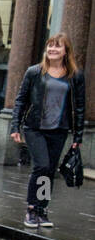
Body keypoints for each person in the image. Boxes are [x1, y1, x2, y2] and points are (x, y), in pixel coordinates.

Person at [10, 32, 86, 229]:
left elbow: (79, 107)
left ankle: (42, 210)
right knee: (42, 166)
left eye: (57, 46)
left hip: (59, 129)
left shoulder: (75, 76)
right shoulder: (34, 72)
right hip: (35, 127)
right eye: (50, 46)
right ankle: (31, 208)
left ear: (65, 51)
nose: (52, 49)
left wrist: (78, 136)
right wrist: (15, 126)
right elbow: (21, 100)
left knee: (50, 171)